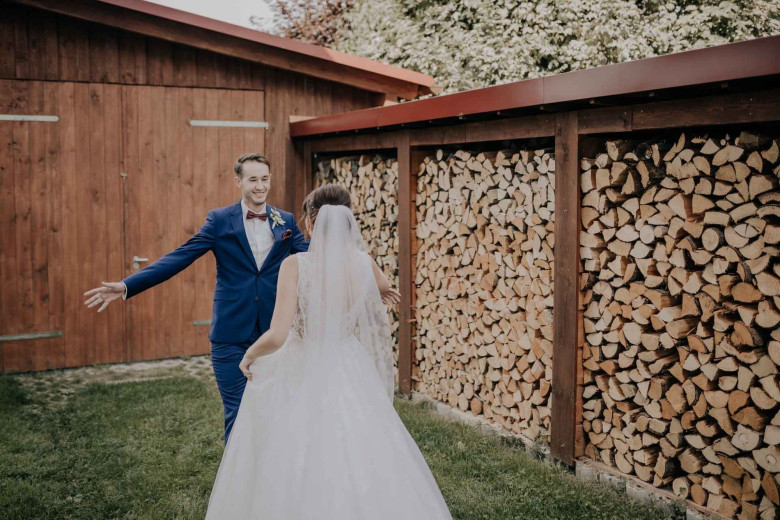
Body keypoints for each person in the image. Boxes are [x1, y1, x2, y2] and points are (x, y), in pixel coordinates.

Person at [83, 153, 399, 442]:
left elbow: (322, 259)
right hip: (231, 334)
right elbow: (180, 257)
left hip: (278, 337)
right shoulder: (219, 221)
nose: (260, 186)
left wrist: (374, 282)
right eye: (253, 179)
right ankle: (238, 481)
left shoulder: (287, 221)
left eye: (265, 179)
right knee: (238, 416)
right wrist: (127, 286)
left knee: (279, 417)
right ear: (239, 182)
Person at [205, 184, 452, 519]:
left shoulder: (295, 265)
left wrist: (249, 355)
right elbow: (383, 287)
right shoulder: (363, 263)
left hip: (302, 362)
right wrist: (382, 292)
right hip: (348, 362)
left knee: (293, 442)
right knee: (360, 439)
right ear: (348, 222)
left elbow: (277, 336)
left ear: (310, 223)